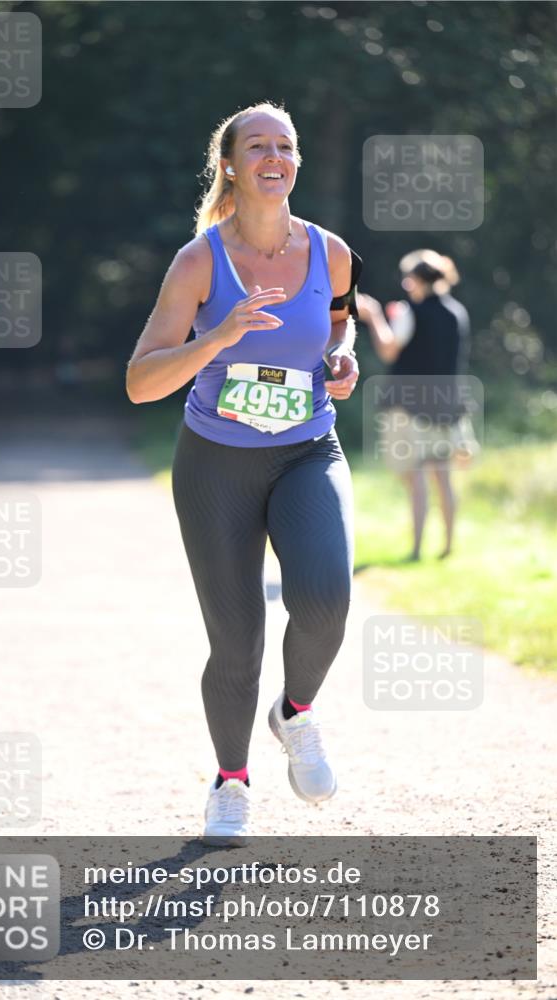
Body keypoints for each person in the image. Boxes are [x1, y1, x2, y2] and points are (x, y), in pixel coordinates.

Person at [126, 102, 362, 845]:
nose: (273, 155)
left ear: (296, 163)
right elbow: (140, 382)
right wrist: (220, 336)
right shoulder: (200, 260)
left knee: (325, 597)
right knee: (236, 644)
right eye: (256, 144)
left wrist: (341, 355)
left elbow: (339, 317)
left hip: (305, 449)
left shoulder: (331, 252)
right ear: (228, 164)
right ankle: (230, 781)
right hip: (215, 464)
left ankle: (295, 713)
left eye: (284, 145)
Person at [357, 250, 473, 560]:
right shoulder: (457, 312)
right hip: (447, 405)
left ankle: (417, 548)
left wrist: (375, 317)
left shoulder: (412, 311)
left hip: (410, 406)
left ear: (417, 280)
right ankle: (448, 546)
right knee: (443, 477)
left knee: (416, 475)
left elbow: (389, 351)